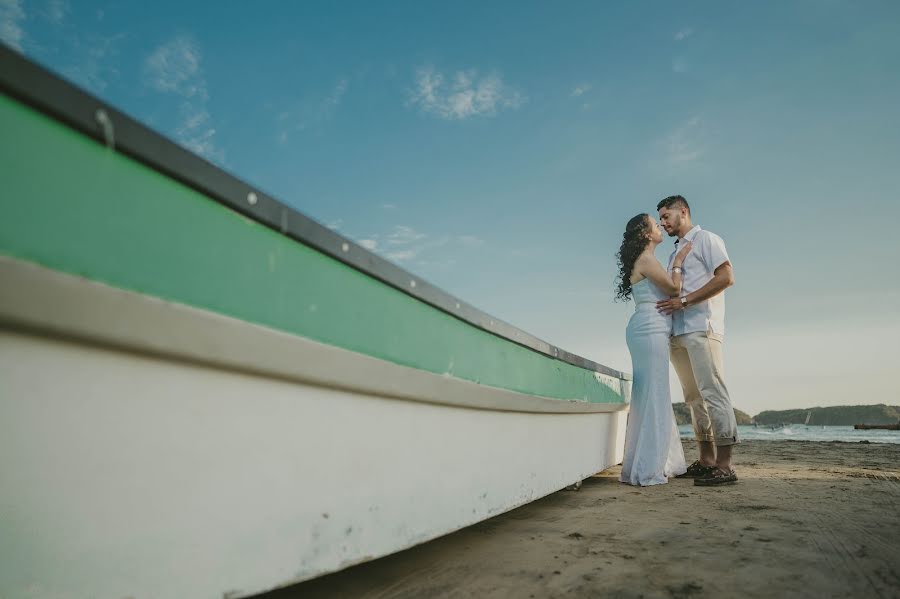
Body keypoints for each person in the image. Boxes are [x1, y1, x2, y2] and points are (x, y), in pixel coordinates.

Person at [655, 195, 738, 486]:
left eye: (666, 216)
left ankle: (725, 466)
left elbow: (727, 277)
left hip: (703, 327)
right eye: (661, 219)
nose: (662, 223)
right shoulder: (672, 253)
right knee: (693, 399)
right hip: (677, 333)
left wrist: (686, 301)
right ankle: (706, 460)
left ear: (683, 212)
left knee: (713, 392)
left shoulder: (707, 239)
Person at [615, 213, 693, 486]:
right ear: (647, 234)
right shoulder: (647, 259)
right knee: (654, 395)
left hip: (648, 327)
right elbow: (674, 288)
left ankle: (648, 463)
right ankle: (647, 468)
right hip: (649, 329)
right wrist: (680, 261)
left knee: (651, 395)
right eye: (655, 223)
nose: (660, 226)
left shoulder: (648, 259)